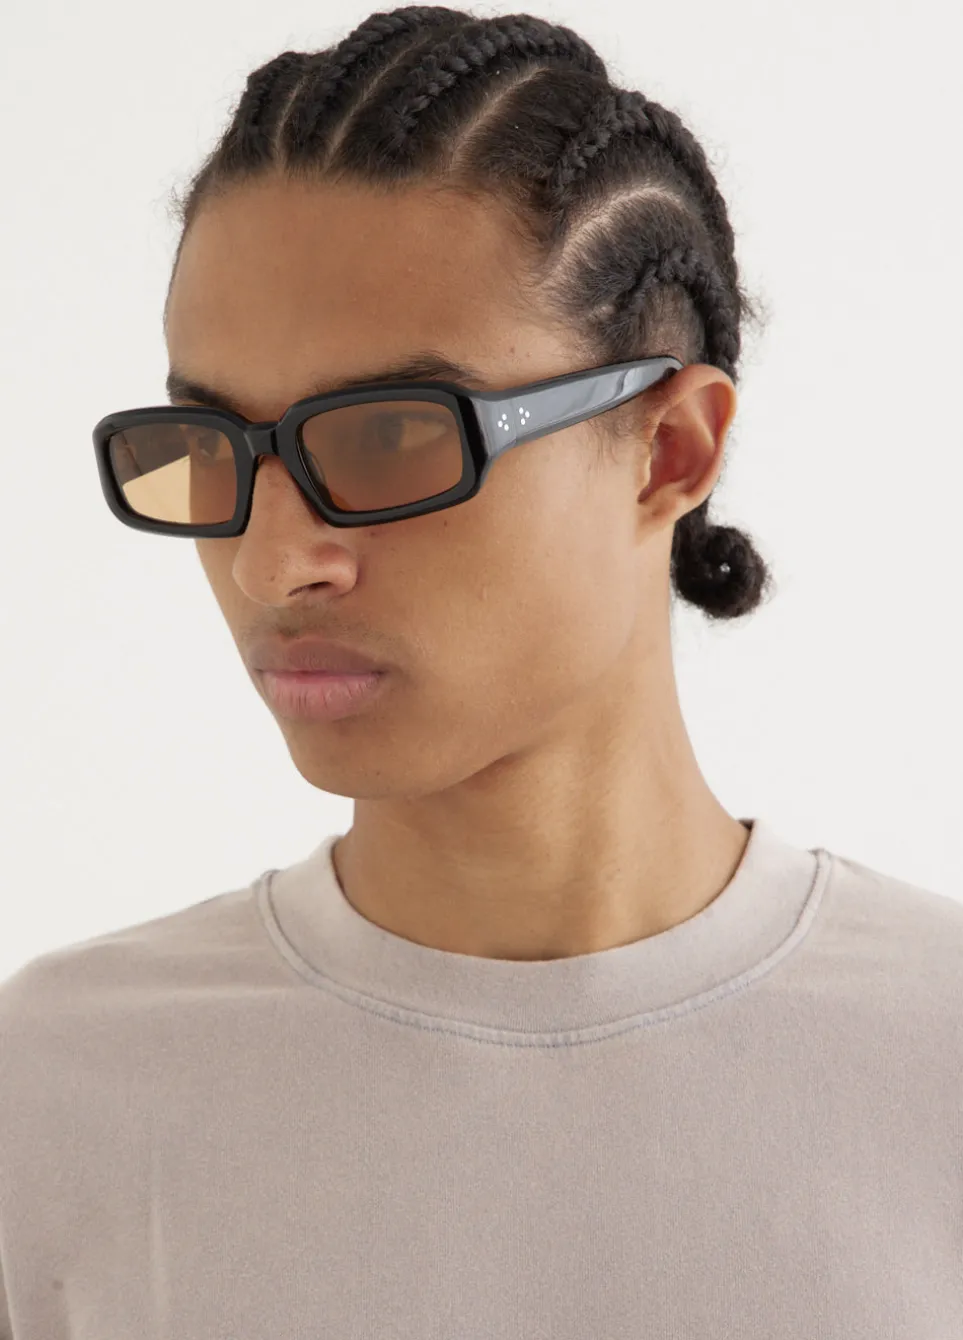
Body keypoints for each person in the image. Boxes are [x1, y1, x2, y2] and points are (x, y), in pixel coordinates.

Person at [2, 8, 961, 1337]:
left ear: (671, 450)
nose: (275, 563)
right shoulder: (55, 1092)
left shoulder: (934, 1061)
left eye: (390, 436)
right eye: (211, 444)